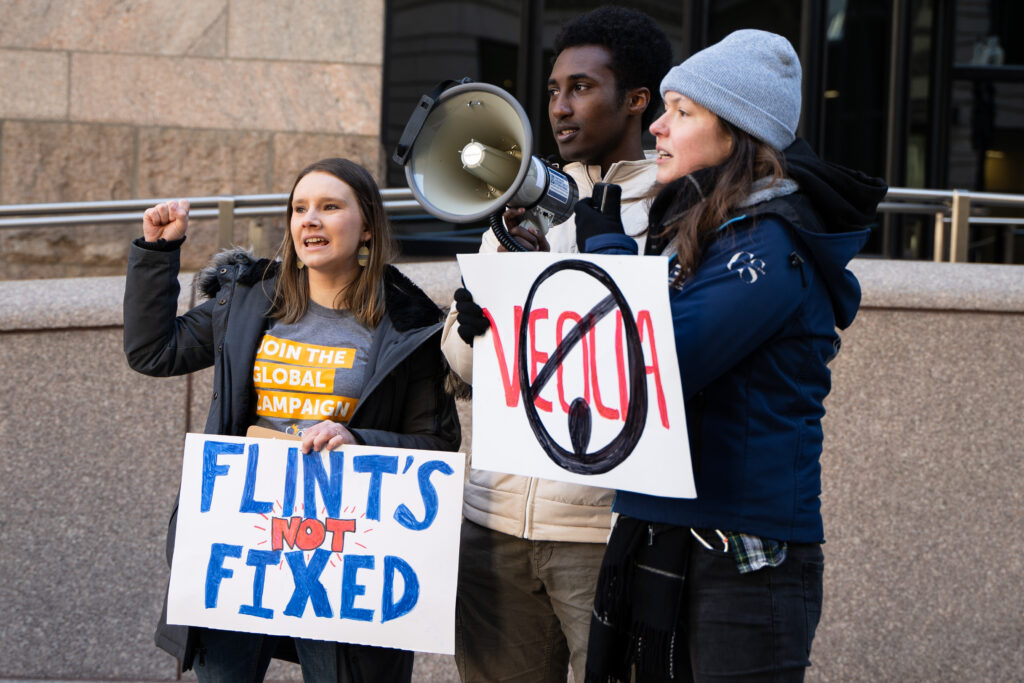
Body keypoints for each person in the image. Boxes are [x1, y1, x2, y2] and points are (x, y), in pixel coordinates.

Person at [568, 30, 887, 682]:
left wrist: (605, 258)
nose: (656, 125)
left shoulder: (768, 246)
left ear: (738, 130)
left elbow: (657, 359)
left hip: (740, 560)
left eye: (682, 111)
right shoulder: (704, 231)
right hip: (668, 534)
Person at [123, 158, 461, 682]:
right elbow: (153, 352)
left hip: (344, 555)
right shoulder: (250, 301)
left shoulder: (409, 325)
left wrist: (357, 438)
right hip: (243, 539)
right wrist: (158, 252)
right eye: (299, 208)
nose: (310, 220)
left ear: (367, 224)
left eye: (329, 207)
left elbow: (435, 444)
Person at [442, 7, 672, 683]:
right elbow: (461, 363)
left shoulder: (677, 203)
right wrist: (474, 328)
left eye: (581, 88)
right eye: (553, 90)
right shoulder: (522, 203)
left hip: (600, 533)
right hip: (495, 522)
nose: (560, 108)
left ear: (635, 100)